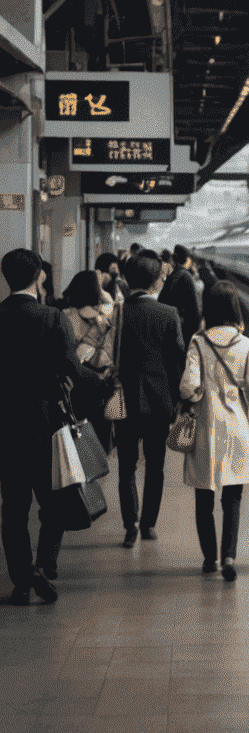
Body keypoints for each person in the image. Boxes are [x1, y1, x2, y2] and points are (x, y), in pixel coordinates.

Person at [0, 249, 105, 603]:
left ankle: (21, 578)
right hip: (46, 425)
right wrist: (102, 385)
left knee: (13, 508)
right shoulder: (51, 318)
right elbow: (74, 372)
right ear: (39, 277)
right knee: (54, 502)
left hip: (5, 427)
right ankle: (44, 566)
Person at [179, 282, 249, 581]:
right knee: (233, 497)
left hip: (205, 426)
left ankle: (209, 559)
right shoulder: (248, 345)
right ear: (236, 308)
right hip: (236, 427)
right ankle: (229, 556)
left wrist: (202, 392)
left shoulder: (198, 342)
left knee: (204, 496)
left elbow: (187, 386)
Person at [116, 249, 187, 545]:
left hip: (124, 399)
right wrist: (178, 399)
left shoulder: (118, 313)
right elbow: (178, 361)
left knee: (126, 465)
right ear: (155, 282)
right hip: (159, 401)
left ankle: (130, 524)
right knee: (155, 466)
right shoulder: (168, 314)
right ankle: (148, 525)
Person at [62, 270, 117, 454]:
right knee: (100, 423)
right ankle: (99, 458)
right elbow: (110, 300)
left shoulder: (66, 316)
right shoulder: (104, 314)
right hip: (101, 377)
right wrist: (98, 288)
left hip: (76, 376)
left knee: (77, 425)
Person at [159, 244, 202, 346]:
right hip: (184, 331)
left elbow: (162, 301)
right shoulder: (187, 276)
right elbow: (195, 310)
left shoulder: (172, 276)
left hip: (171, 328)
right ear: (187, 260)